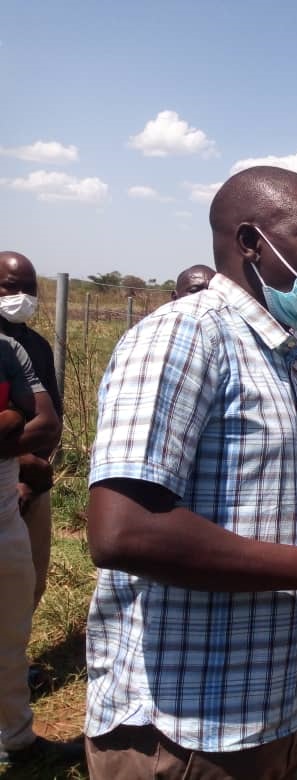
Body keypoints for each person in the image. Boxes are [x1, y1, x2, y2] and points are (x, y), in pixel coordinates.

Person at [83, 166, 297, 779]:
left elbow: (241, 512)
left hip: (261, 713)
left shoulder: (279, 358)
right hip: (184, 730)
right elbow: (122, 531)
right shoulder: (185, 336)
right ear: (250, 243)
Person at [0, 333, 82, 767]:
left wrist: (14, 433)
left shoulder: (8, 351)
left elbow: (43, 421)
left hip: (6, 519)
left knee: (11, 637)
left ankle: (16, 739)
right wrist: (16, 445)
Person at [0, 253, 64, 616]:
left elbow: (50, 420)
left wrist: (35, 473)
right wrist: (19, 461)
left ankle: (16, 665)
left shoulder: (35, 346)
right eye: (12, 287)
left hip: (35, 482)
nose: (21, 296)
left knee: (30, 579)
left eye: (30, 289)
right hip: (9, 477)